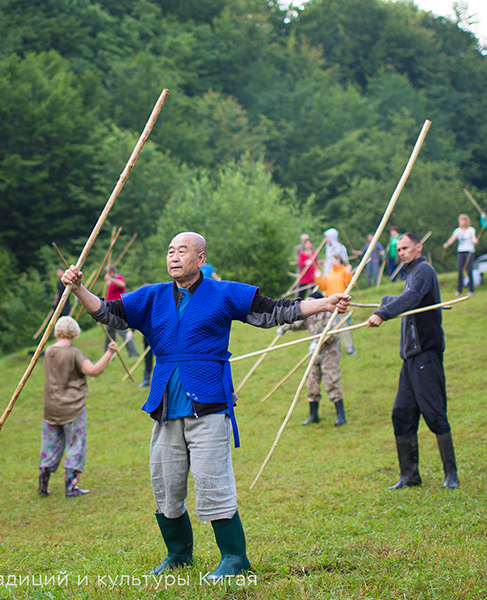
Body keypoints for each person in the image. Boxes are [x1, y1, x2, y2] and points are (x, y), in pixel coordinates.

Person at [61, 232, 350, 581]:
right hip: (166, 406)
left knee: (214, 483)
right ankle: (178, 555)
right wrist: (78, 290)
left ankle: (234, 559)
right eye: (169, 251)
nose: (173, 257)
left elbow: (274, 311)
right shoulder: (151, 297)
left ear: (200, 259)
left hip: (209, 405)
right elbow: (110, 313)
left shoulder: (223, 292)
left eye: (182, 250)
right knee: (165, 485)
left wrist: (322, 303)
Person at [366, 233, 457, 489]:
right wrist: (387, 301)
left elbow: (413, 298)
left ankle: (451, 475)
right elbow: (407, 299)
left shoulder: (424, 271)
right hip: (410, 359)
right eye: (399, 249)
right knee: (402, 413)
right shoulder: (412, 274)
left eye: (405, 248)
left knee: (434, 412)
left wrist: (383, 313)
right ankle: (409, 475)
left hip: (426, 355)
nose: (401, 252)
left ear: (419, 247)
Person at [38, 315, 119, 496]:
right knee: (75, 444)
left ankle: (43, 484)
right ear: (74, 332)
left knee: (50, 444)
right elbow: (93, 371)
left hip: (51, 407)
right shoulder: (73, 353)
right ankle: (71, 487)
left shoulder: (49, 351)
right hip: (72, 407)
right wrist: (110, 352)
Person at [287, 293, 346, 426]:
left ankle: (341, 416)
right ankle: (313, 415)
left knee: (332, 382)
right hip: (315, 354)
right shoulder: (312, 313)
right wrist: (284, 327)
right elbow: (299, 324)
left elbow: (332, 333)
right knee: (311, 382)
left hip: (329, 352)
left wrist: (318, 342)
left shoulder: (330, 313)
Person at [317, 253, 356, 355]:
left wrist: (348, 273)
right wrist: (318, 278)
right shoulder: (329, 273)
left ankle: (349, 348)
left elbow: (350, 284)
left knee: (345, 328)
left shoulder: (344, 271)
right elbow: (323, 287)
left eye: (332, 259)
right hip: (330, 305)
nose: (330, 261)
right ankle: (336, 350)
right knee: (332, 329)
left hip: (342, 304)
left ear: (338, 259)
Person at [103, 265, 140, 357]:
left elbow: (122, 284)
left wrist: (110, 279)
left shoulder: (118, 278)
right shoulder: (112, 281)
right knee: (109, 333)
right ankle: (108, 354)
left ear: (111, 272)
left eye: (107, 272)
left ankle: (134, 354)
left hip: (117, 309)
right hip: (109, 309)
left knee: (122, 332)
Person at [442, 214, 477, 295]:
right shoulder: (457, 230)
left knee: (469, 270)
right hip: (461, 251)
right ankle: (459, 290)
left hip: (469, 251)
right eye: (460, 221)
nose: (460, 222)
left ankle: (471, 290)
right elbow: (452, 239)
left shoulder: (471, 230)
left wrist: (475, 241)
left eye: (462, 220)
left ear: (466, 221)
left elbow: (474, 238)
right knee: (460, 270)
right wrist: (447, 244)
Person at [296, 235, 319, 300]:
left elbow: (316, 263)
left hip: (311, 275)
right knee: (301, 293)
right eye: (307, 244)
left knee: (314, 291)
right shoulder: (302, 254)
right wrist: (306, 262)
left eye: (310, 243)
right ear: (304, 245)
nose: (308, 245)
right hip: (304, 275)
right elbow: (300, 263)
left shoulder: (313, 254)